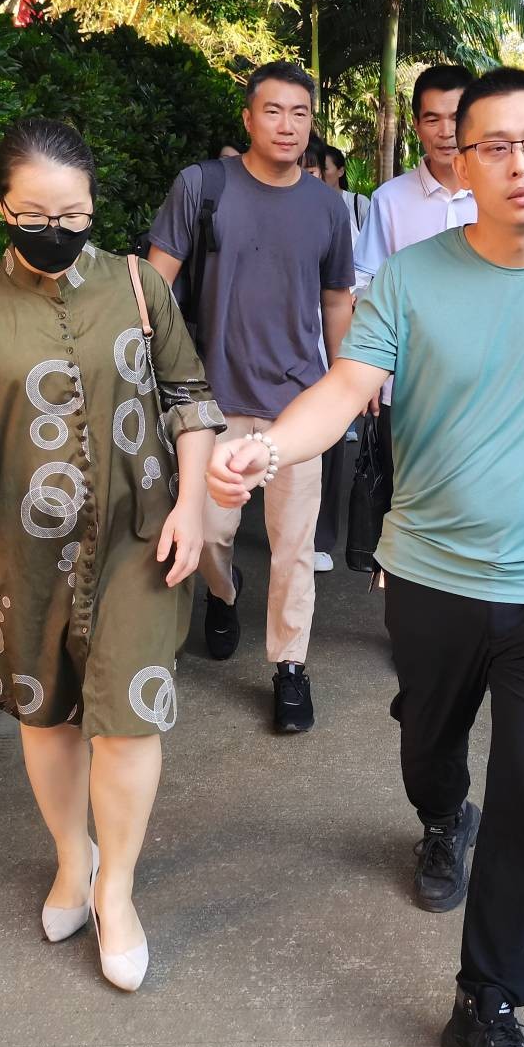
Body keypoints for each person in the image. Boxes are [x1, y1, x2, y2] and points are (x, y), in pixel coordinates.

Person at [207, 68, 524, 1047]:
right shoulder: (410, 278)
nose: (520, 163)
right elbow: (344, 386)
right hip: (430, 573)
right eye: (495, 146)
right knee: (429, 748)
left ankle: (487, 999)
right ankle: (441, 812)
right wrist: (268, 446)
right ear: (460, 163)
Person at [0, 119, 223, 992]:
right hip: (20, 552)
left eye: (72, 215)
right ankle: (74, 858)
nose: (54, 230)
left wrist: (191, 504)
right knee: (48, 717)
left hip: (140, 539)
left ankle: (118, 890)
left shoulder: (139, 285)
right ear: (2, 207)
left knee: (129, 716)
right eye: (34, 215)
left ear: (94, 205)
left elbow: (188, 397)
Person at [147, 61, 355, 733]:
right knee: (209, 532)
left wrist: (345, 384)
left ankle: (290, 667)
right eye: (273, 110)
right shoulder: (202, 186)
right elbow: (154, 286)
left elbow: (337, 300)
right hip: (214, 398)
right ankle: (223, 591)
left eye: (300, 113)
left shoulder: (328, 206)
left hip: (299, 403)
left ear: (312, 123)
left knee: (294, 546)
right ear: (247, 117)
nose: (287, 125)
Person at [353, 65, 524, 513]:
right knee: (408, 502)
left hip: (519, 388)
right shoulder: (391, 201)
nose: (446, 131)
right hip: (411, 388)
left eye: (456, 117)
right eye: (433, 118)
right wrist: (369, 367)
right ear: (417, 125)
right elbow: (366, 284)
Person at [315, 145, 369, 570]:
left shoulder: (339, 212)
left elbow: (346, 292)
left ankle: (318, 538)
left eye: (313, 169)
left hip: (322, 349)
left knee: (327, 445)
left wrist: (346, 371)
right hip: (268, 357)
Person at [323, 144, 370, 236]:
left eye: (324, 168)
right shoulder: (310, 206)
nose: (320, 174)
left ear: (340, 171)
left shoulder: (359, 203)